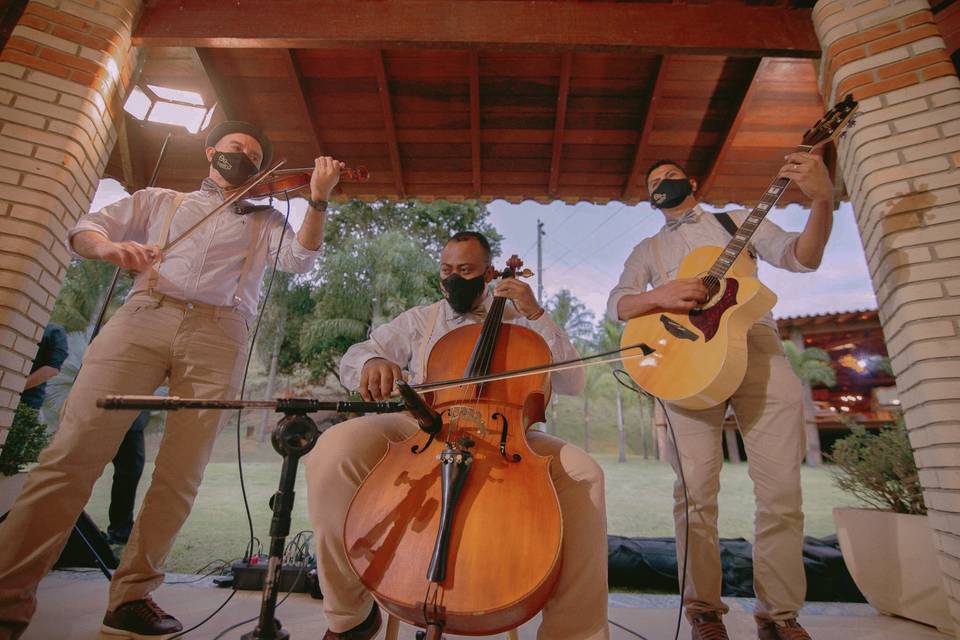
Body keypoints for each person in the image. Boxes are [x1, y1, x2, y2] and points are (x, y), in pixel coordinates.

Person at [0, 120, 342, 640]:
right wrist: (110, 250)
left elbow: (300, 259)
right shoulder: (160, 200)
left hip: (220, 332)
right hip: (145, 313)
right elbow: (86, 227)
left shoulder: (268, 218)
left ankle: (132, 597)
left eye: (254, 155)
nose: (244, 159)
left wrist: (317, 200)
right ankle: (6, 597)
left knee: (180, 473)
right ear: (210, 153)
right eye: (236, 149)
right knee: (70, 457)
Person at [304, 231, 609, 640]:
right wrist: (373, 361)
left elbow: (572, 380)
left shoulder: (523, 323)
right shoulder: (420, 319)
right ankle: (350, 617)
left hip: (507, 436)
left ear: (488, 273)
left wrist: (535, 312)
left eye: (466, 270)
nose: (454, 279)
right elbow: (357, 355)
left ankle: (573, 634)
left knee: (586, 474)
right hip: (424, 426)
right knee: (334, 449)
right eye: (447, 270)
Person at [606, 155, 835, 640]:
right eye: (652, 183)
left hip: (757, 348)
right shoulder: (647, 248)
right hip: (684, 360)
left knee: (781, 494)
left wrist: (821, 199)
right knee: (694, 495)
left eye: (668, 178)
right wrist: (660, 296)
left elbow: (803, 257)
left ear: (692, 182)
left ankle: (779, 615)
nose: (660, 185)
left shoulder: (736, 222)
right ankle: (704, 610)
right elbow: (618, 303)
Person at [0, 323, 67, 475]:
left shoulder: (54, 332)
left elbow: (52, 369)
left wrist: (15, 387)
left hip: (25, 403)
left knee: (7, 463)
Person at [107, 410, 150, 547]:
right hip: (102, 413)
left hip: (131, 417)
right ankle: (120, 530)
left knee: (131, 471)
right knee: (130, 471)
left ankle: (121, 529)